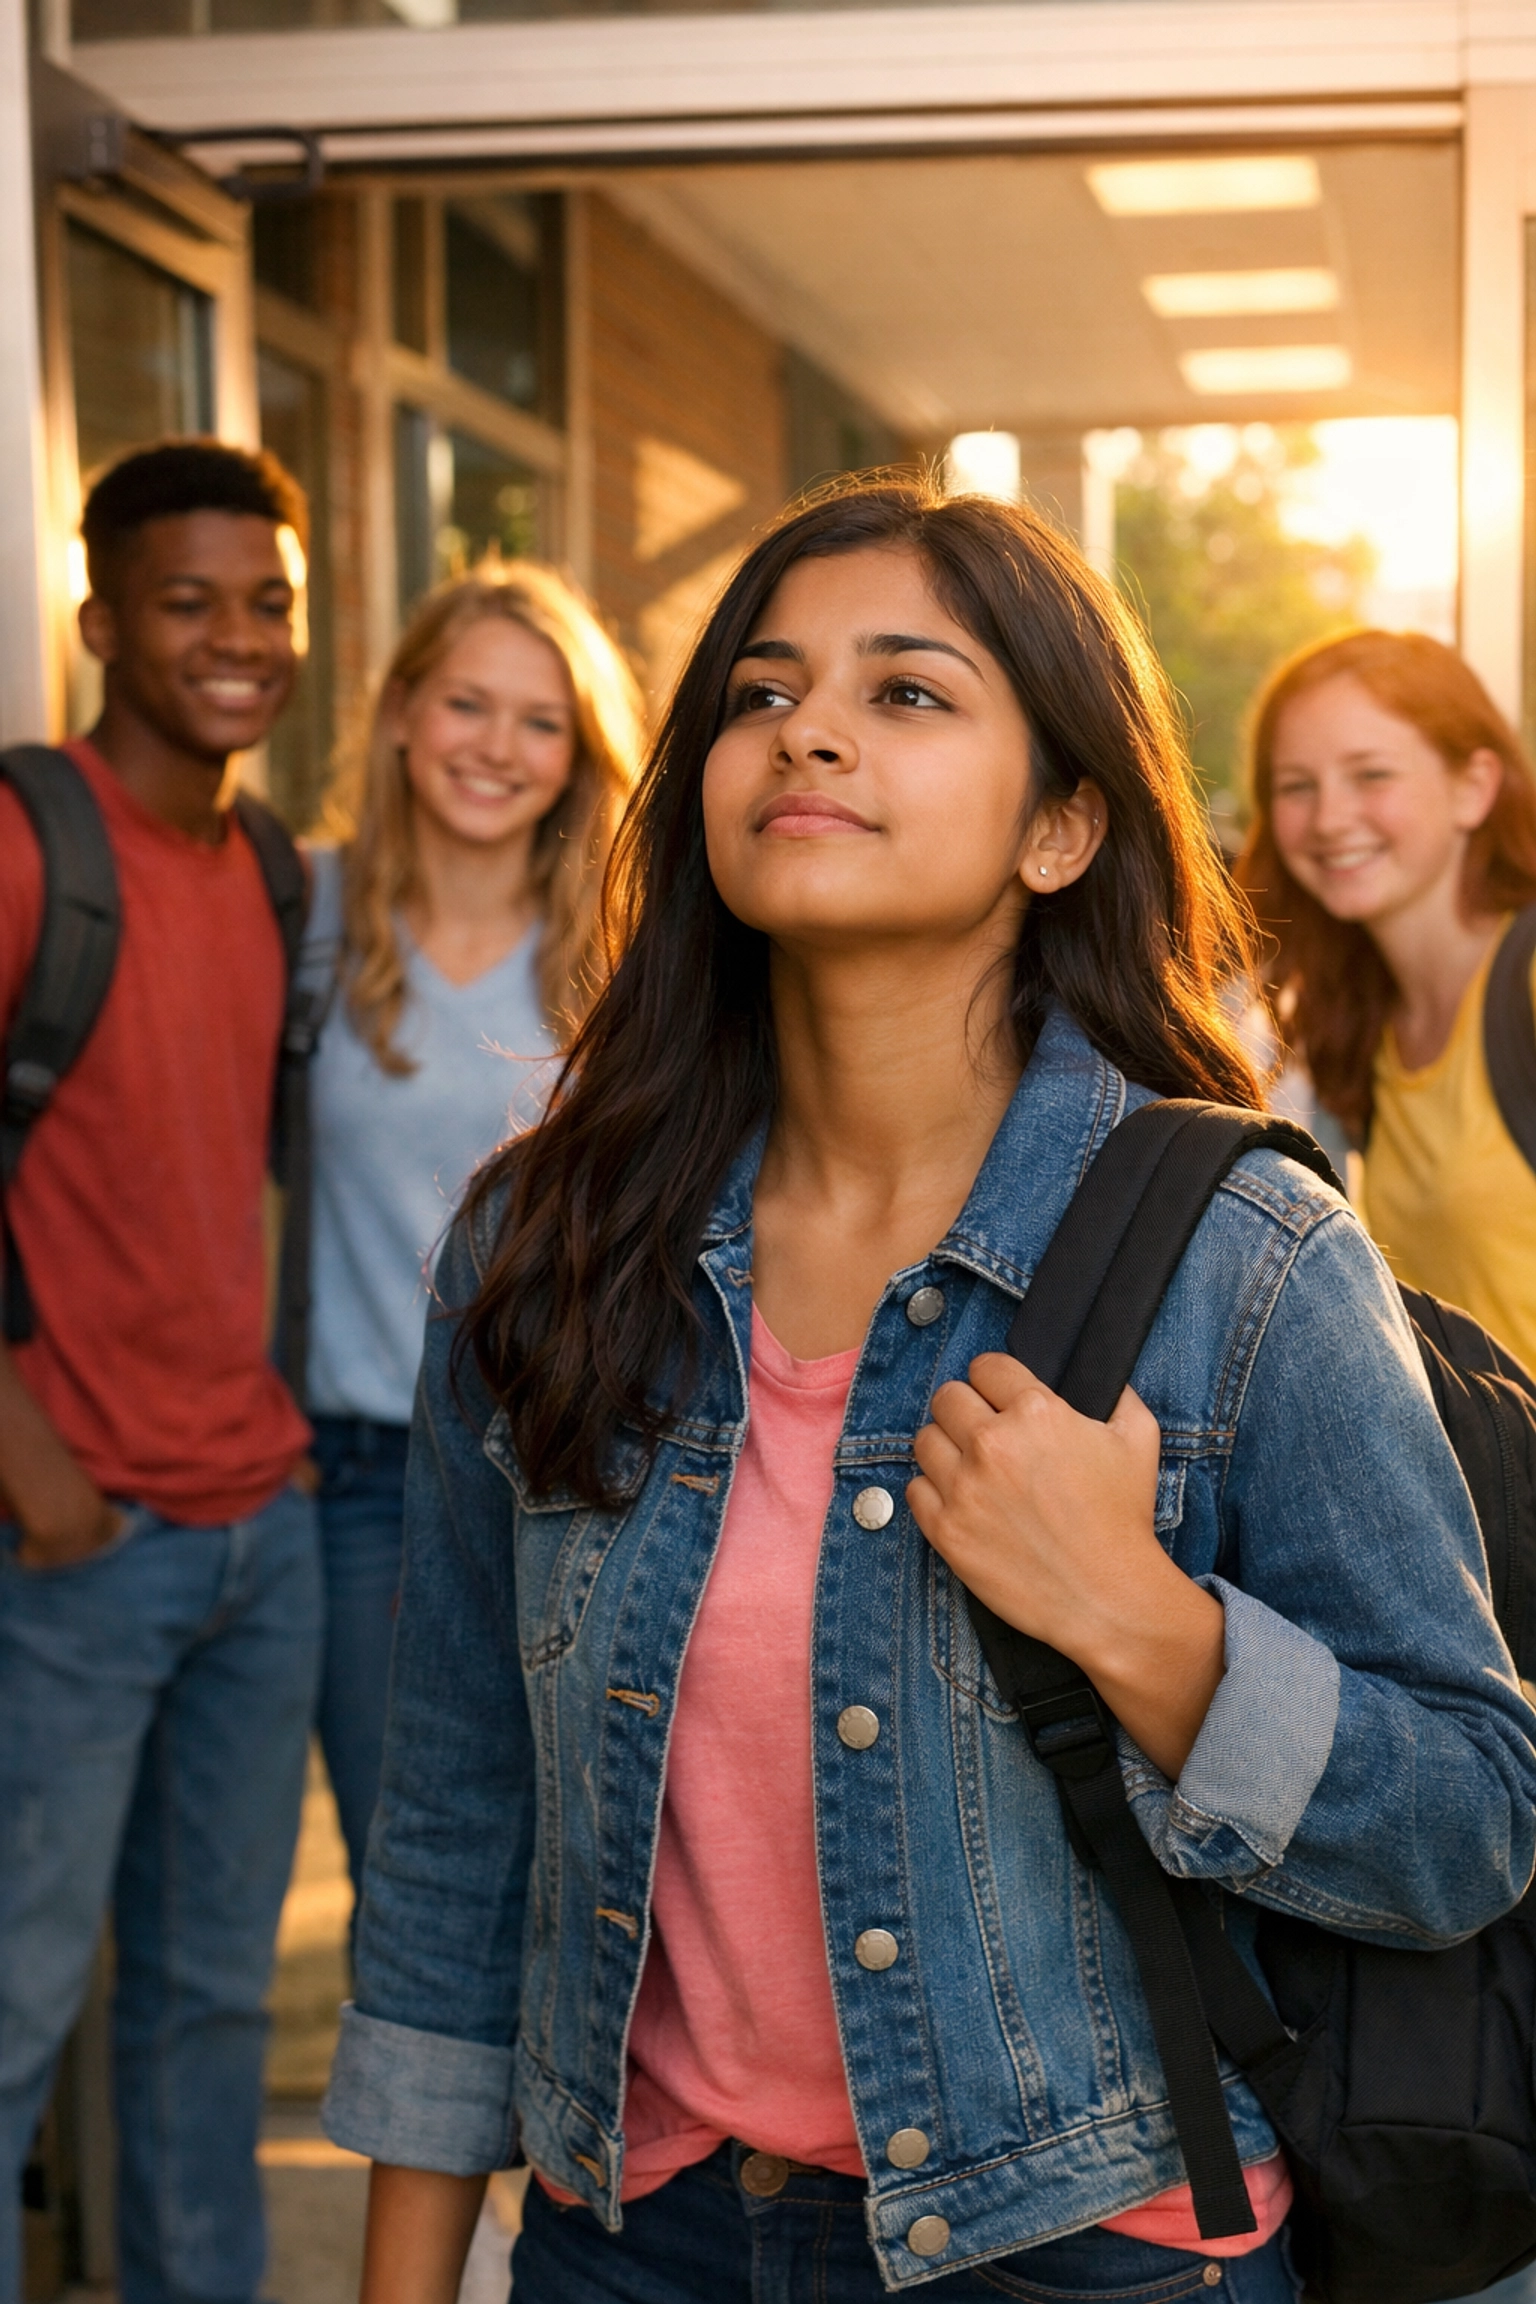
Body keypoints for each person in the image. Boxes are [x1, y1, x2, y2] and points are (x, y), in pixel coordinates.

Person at [322, 480, 1536, 2303]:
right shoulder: (545, 1239)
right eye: (758, 689)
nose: (804, 724)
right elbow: (455, 1814)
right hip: (624, 2241)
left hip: (1088, 2249)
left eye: (905, 691)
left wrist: (1150, 1626)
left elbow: (1467, 1816)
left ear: (1060, 823)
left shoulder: (1243, 1250)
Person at [0, 441, 322, 2304]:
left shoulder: (268, 867)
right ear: (100, 618)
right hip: (81, 1545)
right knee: (18, 1998)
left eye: (266, 601)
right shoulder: (32, 838)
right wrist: (39, 1469)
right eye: (187, 603)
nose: (234, 640)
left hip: (252, 1533)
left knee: (207, 2006)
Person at [303, 564, 643, 1899]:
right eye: (466, 704)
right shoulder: (306, 916)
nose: (498, 748)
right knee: (417, 1859)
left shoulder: (619, 956)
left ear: (577, 754)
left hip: (566, 1460)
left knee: (583, 1860)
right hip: (356, 1482)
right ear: (399, 714)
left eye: (539, 721)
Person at [1236, 629, 1536, 1368]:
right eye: (1297, 786)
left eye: (1371, 775)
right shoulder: (1359, 1019)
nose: (1330, 819)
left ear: (1474, 786)